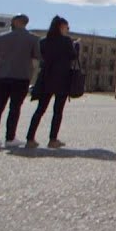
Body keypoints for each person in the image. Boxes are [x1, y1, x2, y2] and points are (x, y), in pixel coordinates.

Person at [0, 13, 41, 147]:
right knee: (15, 108)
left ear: (15, 22)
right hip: (21, 76)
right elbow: (37, 55)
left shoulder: (1, 37)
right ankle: (10, 138)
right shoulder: (33, 38)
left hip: (1, 76)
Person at [25, 15, 78, 149]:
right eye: (67, 27)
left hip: (46, 77)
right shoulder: (66, 41)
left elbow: (39, 55)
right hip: (62, 78)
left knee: (40, 110)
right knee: (57, 111)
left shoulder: (43, 41)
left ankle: (30, 139)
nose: (68, 29)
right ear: (61, 27)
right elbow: (73, 56)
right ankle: (52, 140)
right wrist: (76, 45)